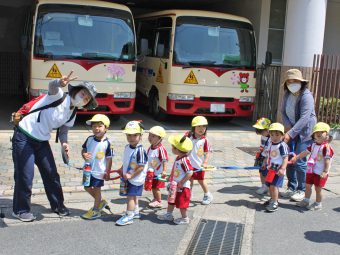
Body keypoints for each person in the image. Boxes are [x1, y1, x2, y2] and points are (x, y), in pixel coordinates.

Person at [12, 71, 98, 222]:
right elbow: (52, 86)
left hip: (41, 141)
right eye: (83, 93)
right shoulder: (59, 96)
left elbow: (64, 130)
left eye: (86, 98)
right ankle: (20, 210)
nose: (83, 98)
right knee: (25, 175)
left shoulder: (72, 113)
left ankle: (58, 205)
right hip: (24, 136)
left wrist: (65, 143)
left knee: (51, 174)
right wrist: (59, 82)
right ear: (77, 90)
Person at [280, 69, 317, 202]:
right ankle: (291, 187)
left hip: (304, 133)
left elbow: (305, 117)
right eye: (289, 81)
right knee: (289, 159)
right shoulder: (287, 94)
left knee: (300, 161)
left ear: (301, 82)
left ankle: (302, 189)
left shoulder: (306, 96)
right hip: (291, 130)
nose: (292, 83)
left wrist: (291, 133)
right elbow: (283, 112)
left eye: (295, 81)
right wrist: (288, 126)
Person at [294, 122, 334, 211]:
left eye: (321, 132)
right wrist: (297, 157)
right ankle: (306, 200)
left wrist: (325, 171)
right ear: (313, 135)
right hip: (311, 170)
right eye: (316, 132)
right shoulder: (313, 145)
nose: (318, 133)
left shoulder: (326, 148)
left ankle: (318, 204)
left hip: (320, 172)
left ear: (327, 135)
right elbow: (306, 152)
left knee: (318, 189)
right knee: (307, 186)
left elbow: (327, 161)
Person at [81, 114, 114, 220]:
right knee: (86, 187)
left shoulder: (108, 143)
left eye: (100, 126)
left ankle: (96, 210)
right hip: (87, 169)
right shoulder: (89, 139)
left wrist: (107, 172)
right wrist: (84, 155)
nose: (96, 128)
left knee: (97, 189)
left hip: (99, 171)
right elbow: (84, 150)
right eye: (94, 126)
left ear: (106, 129)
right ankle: (100, 202)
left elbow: (109, 159)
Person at [116, 121, 148, 226]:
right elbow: (126, 161)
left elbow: (141, 167)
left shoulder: (140, 150)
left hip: (135, 179)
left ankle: (129, 216)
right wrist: (121, 168)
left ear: (140, 136)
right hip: (128, 177)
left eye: (135, 135)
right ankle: (135, 212)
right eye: (129, 135)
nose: (131, 137)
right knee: (133, 196)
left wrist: (131, 175)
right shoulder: (127, 147)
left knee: (130, 197)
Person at [158, 135, 194, 224]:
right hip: (175, 185)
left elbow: (190, 172)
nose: (171, 148)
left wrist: (182, 182)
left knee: (182, 203)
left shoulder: (184, 160)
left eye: (172, 146)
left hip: (182, 187)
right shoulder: (179, 158)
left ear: (177, 149)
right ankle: (169, 215)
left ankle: (185, 218)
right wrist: (170, 177)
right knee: (171, 200)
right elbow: (177, 170)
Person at [262, 123, 289, 212]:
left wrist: (282, 169)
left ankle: (275, 203)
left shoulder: (282, 145)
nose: (274, 137)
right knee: (270, 186)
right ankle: (272, 199)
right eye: (272, 134)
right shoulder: (270, 143)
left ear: (282, 135)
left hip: (278, 171)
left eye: (277, 134)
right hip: (270, 169)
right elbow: (268, 154)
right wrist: (264, 162)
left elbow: (285, 158)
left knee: (274, 186)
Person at [187, 116, 213, 205]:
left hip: (198, 165)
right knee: (189, 180)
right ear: (194, 127)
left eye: (203, 127)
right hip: (188, 165)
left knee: (201, 180)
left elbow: (207, 152)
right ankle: (188, 194)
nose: (201, 129)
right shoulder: (188, 136)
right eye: (199, 126)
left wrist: (205, 162)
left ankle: (207, 194)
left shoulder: (204, 140)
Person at [146, 126, 168, 208]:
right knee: (153, 187)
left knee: (156, 188)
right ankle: (155, 199)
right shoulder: (150, 148)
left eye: (153, 136)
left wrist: (164, 171)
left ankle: (159, 201)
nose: (150, 138)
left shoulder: (161, 149)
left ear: (160, 138)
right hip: (151, 172)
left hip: (158, 173)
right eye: (149, 135)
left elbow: (164, 160)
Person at [253, 117, 271, 195]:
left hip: (268, 158)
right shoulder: (263, 136)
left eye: (262, 131)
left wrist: (266, 159)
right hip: (262, 156)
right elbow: (262, 146)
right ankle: (263, 186)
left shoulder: (272, 138)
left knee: (268, 173)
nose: (260, 133)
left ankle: (269, 187)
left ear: (268, 129)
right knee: (261, 172)